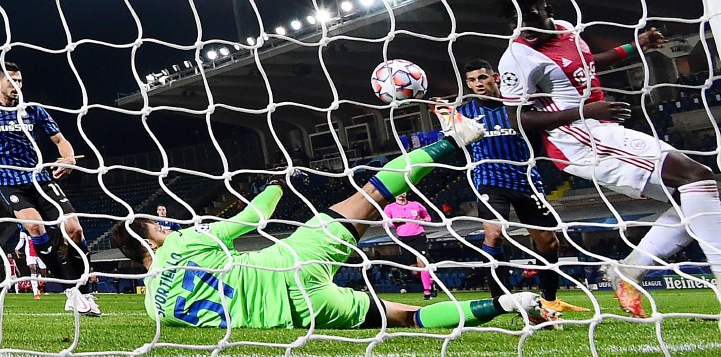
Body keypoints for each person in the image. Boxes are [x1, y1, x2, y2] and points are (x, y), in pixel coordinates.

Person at [111, 111, 561, 330]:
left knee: (408, 320)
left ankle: (509, 305)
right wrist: (275, 183)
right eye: (159, 228)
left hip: (299, 314)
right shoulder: (182, 245)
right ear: (149, 244)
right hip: (290, 260)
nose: (168, 229)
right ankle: (455, 141)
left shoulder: (156, 310)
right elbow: (254, 216)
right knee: (372, 194)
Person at [498, 0, 721, 318]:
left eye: (531, 16)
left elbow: (587, 63)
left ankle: (629, 271)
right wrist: (585, 112)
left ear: (547, 10)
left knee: (701, 193)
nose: (524, 25)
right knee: (696, 176)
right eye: (516, 19)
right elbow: (517, 119)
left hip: (600, 129)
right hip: (577, 139)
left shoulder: (564, 29)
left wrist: (635, 47)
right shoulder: (516, 58)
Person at [449, 59, 588, 314]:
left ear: (496, 78)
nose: (478, 84)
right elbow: (455, 146)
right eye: (472, 80)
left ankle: (549, 300)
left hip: (526, 180)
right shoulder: (463, 113)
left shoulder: (518, 106)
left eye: (482, 78)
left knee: (548, 242)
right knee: (493, 232)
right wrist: (446, 121)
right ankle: (500, 301)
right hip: (489, 179)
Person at [0, 61, 99, 316]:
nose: (17, 86)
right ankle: (72, 290)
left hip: (40, 179)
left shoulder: (33, 110)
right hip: (7, 182)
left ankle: (84, 290)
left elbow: (61, 141)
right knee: (35, 227)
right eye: (12, 81)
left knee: (74, 229)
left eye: (20, 81)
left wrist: (68, 158)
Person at [383, 193, 437, 299]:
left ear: (406, 193)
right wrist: (395, 221)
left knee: (422, 263)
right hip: (404, 240)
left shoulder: (416, 205)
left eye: (403, 192)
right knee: (415, 271)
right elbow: (385, 224)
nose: (401, 195)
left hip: (419, 238)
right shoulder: (389, 208)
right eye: (398, 193)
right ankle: (430, 282)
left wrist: (424, 220)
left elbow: (427, 217)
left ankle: (427, 291)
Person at [14, 226, 47, 299]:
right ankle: (35, 293)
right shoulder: (23, 231)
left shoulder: (39, 227)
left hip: (40, 252)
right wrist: (16, 248)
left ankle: (41, 282)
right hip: (30, 253)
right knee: (32, 269)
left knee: (43, 272)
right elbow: (21, 241)